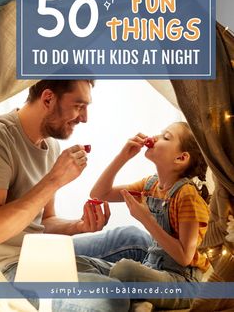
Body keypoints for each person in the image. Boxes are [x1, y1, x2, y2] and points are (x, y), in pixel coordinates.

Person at [0, 79, 140, 311]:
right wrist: (54, 179)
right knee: (111, 296)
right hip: (9, 268)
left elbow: (44, 221)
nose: (84, 118)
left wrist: (79, 226)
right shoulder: (1, 138)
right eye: (78, 106)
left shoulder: (51, 145)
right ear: (47, 98)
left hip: (42, 253)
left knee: (133, 239)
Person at [78, 121, 210, 310]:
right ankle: (134, 300)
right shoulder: (151, 185)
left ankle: (127, 297)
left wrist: (146, 219)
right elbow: (99, 194)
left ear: (181, 158)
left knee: (124, 270)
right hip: (152, 269)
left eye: (166, 137)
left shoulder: (187, 195)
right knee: (78, 261)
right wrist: (122, 157)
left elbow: (184, 257)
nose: (155, 138)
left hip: (182, 283)